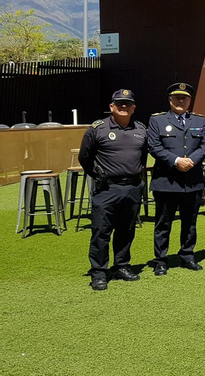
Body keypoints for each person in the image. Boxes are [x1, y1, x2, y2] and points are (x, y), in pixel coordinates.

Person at [81, 89, 151, 290]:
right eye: (119, 103)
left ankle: (121, 266)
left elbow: (143, 156)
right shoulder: (98, 128)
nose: (123, 106)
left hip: (133, 188)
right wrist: (98, 176)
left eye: (127, 104)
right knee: (101, 232)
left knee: (126, 230)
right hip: (107, 189)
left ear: (133, 108)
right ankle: (99, 272)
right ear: (111, 106)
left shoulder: (140, 129)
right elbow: (85, 158)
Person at [145, 83, 205, 275]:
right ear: (170, 100)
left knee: (190, 222)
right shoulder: (157, 120)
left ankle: (187, 256)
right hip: (166, 180)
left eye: (185, 98)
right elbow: (154, 147)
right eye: (177, 97)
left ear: (190, 100)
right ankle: (161, 260)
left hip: (192, 180)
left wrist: (191, 161)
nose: (181, 101)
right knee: (163, 223)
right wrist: (176, 161)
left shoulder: (200, 120)